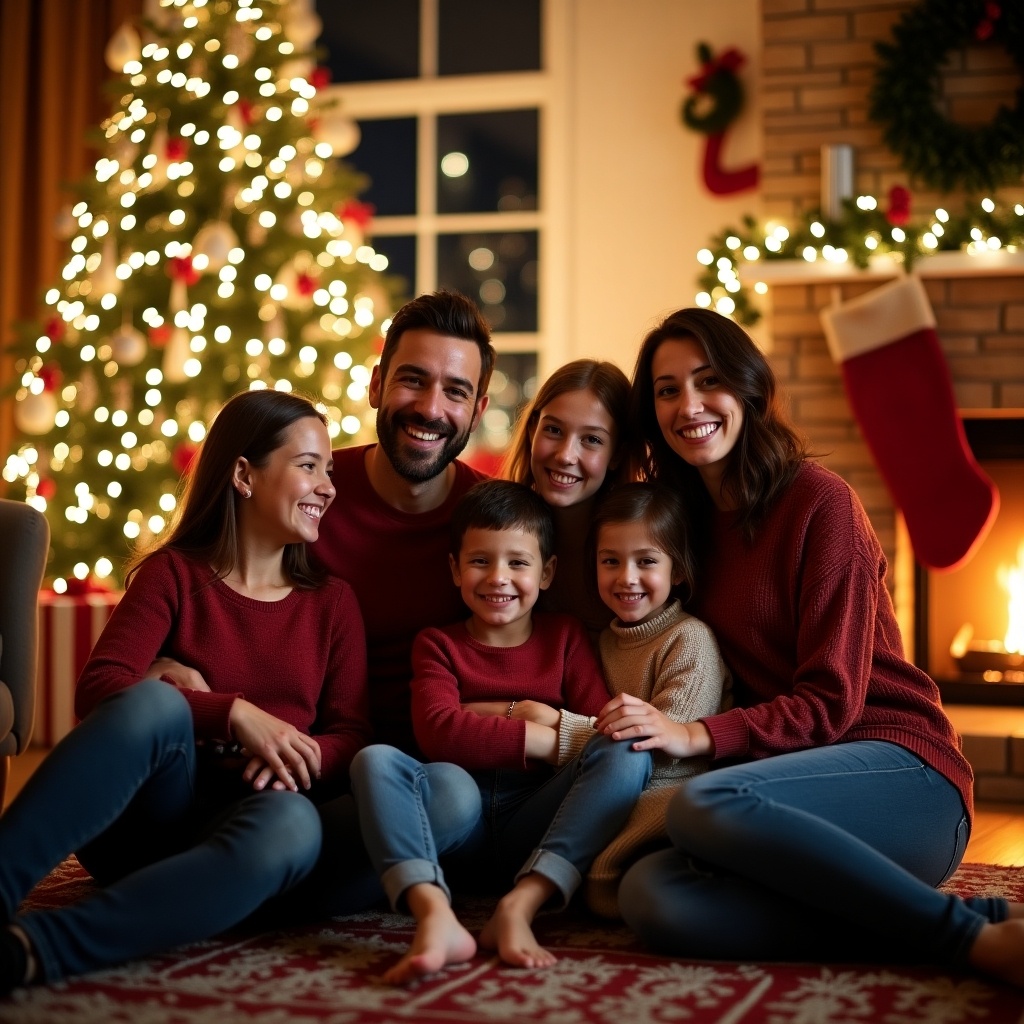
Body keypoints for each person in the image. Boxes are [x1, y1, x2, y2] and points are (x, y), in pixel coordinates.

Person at [616, 306, 1024, 986]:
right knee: (651, 893)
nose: (689, 405)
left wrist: (695, 735)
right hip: (786, 797)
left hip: (903, 775)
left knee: (704, 805)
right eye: (666, 390)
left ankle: (967, 943)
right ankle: (954, 915)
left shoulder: (818, 501)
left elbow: (832, 702)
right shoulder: (679, 525)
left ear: (746, 386)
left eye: (707, 380)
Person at [0, 390, 371, 994]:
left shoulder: (333, 605)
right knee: (152, 700)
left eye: (328, 469)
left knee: (296, 827)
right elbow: (100, 690)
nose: (328, 485)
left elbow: (353, 734)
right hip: (149, 818)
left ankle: (29, 953)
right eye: (309, 465)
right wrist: (231, 714)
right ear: (245, 474)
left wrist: (295, 753)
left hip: (253, 817)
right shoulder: (172, 574)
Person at [150, 289, 497, 918]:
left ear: (478, 408)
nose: (429, 407)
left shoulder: (494, 524)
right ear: (374, 384)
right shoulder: (306, 496)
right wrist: (157, 672)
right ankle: (257, 881)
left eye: (454, 391)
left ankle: (242, 883)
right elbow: (211, 588)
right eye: (412, 380)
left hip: (416, 777)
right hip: (281, 773)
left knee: (452, 795)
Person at [349, 480, 652, 982]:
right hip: (453, 830)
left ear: (547, 572)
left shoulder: (565, 637)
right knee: (376, 759)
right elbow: (438, 735)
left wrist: (483, 714)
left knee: (628, 751)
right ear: (454, 568)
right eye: (479, 561)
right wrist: (536, 727)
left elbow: (600, 728)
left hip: (536, 828)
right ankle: (432, 912)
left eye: (518, 562)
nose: (498, 578)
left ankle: (522, 905)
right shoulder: (437, 645)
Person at [576, 483, 730, 918]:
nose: (626, 577)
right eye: (611, 561)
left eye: (646, 561)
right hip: (614, 782)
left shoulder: (689, 638)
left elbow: (659, 747)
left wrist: (553, 728)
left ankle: (604, 880)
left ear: (677, 569)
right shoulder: (604, 641)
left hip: (670, 788)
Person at [501, 358, 631, 637]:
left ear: (617, 454)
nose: (565, 455)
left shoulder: (638, 549)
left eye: (592, 440)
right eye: (554, 430)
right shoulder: (500, 533)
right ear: (533, 429)